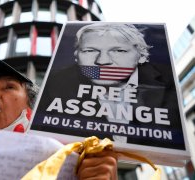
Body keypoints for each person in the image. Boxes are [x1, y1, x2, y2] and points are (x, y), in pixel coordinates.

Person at [32, 23, 184, 149]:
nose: (103, 61)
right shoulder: (54, 85)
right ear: (76, 56)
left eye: (118, 50)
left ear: (142, 55)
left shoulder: (167, 82)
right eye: (90, 50)